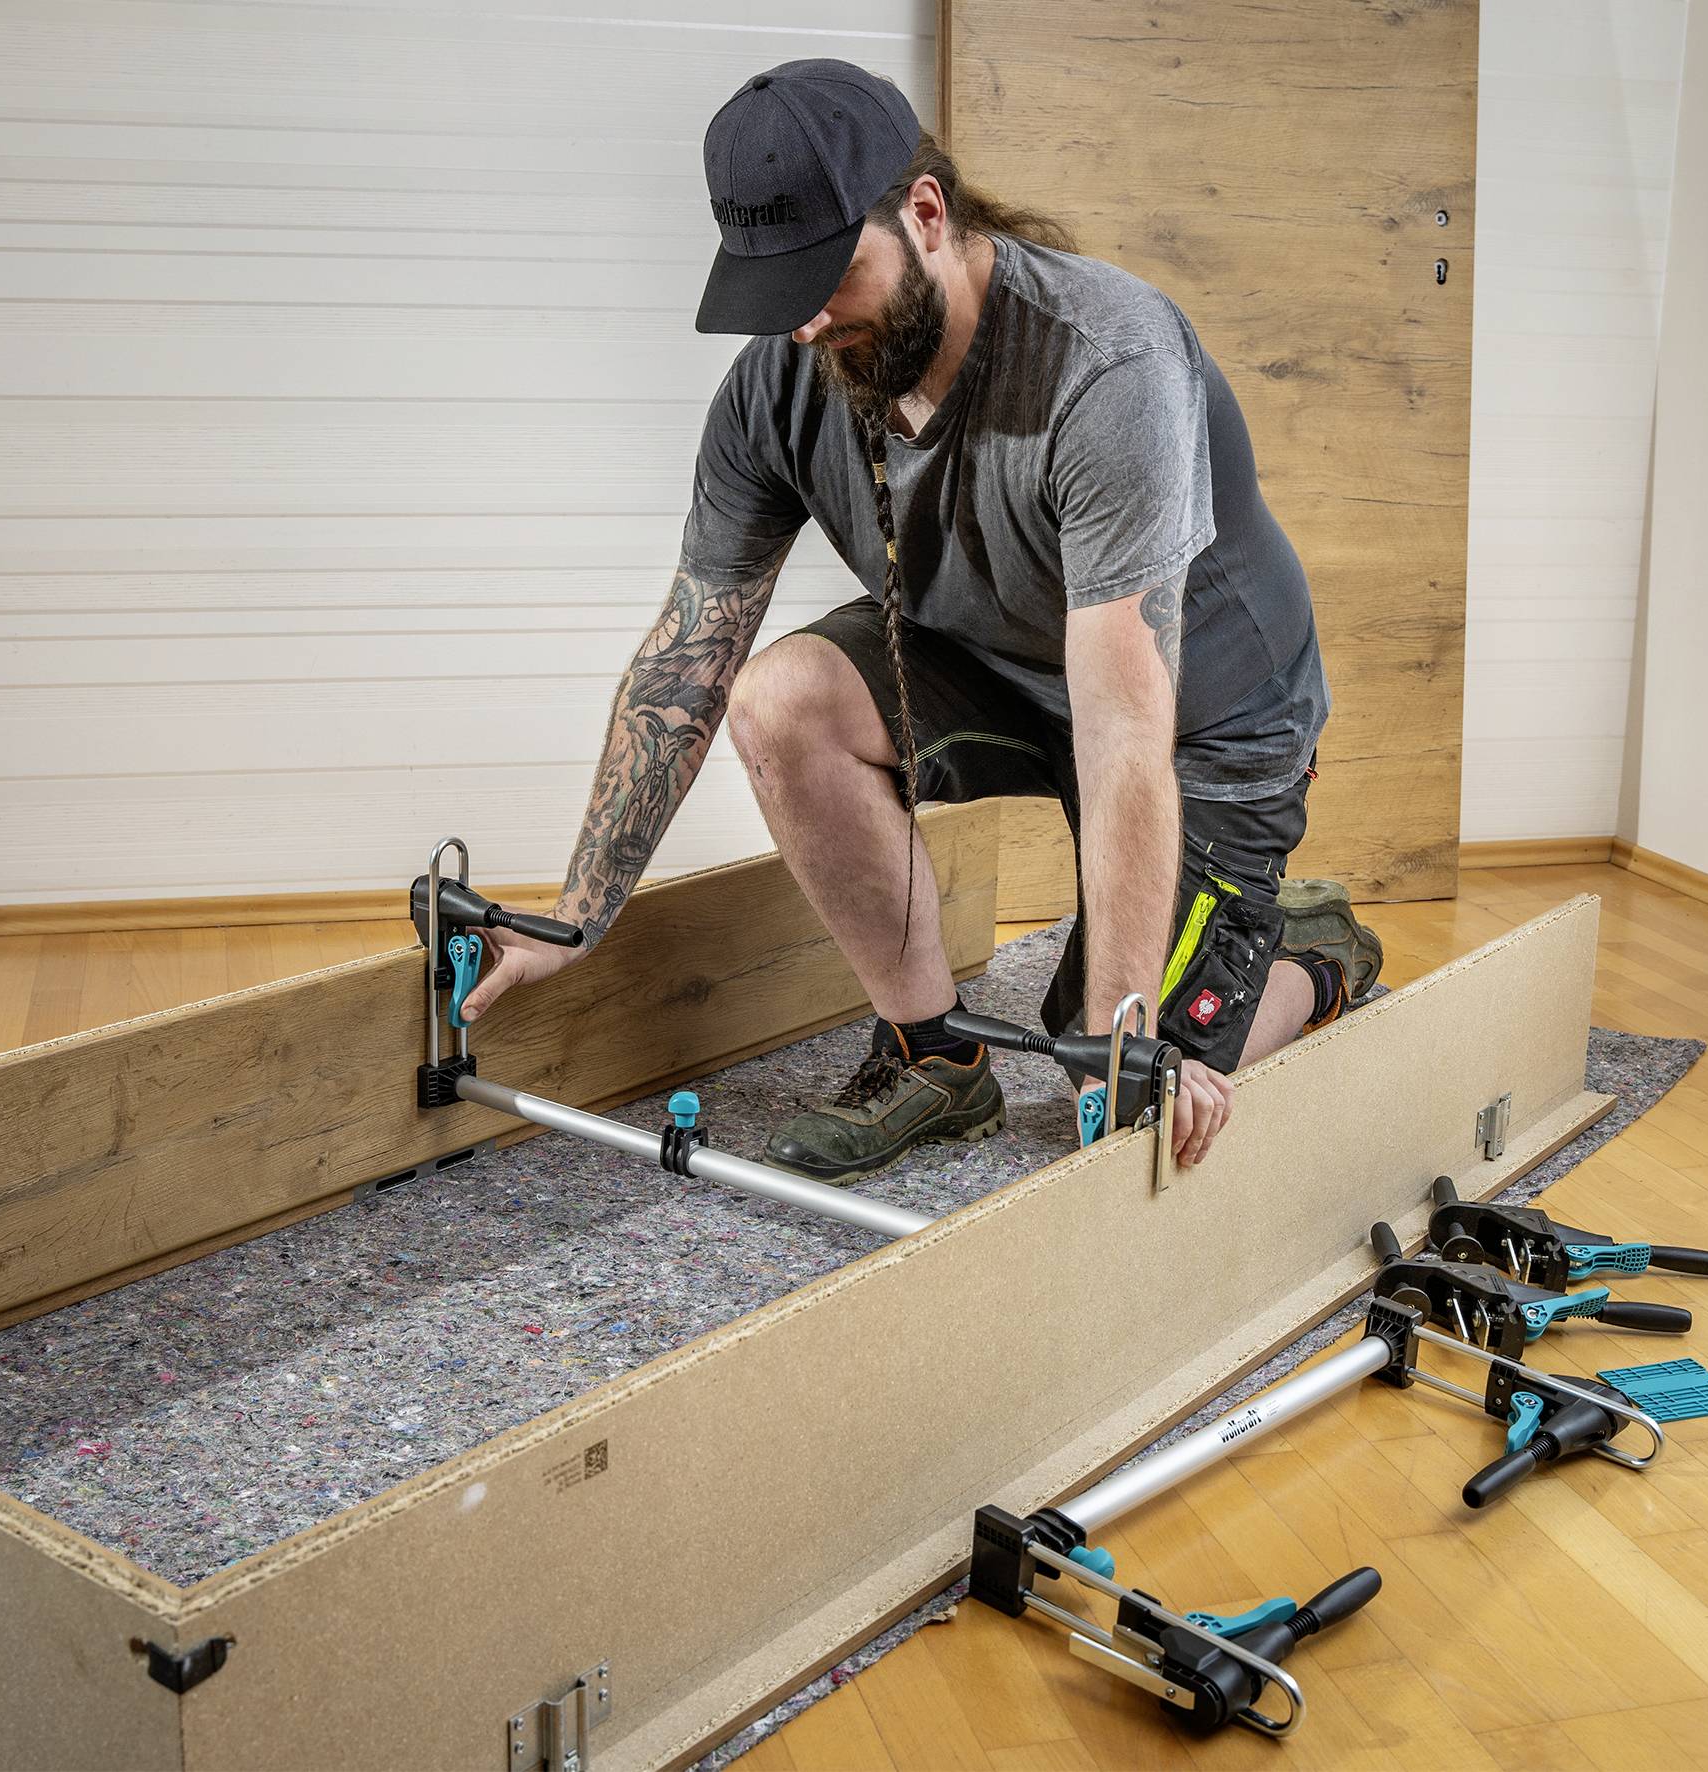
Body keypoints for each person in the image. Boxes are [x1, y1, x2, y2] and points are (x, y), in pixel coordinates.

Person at [461, 58, 1381, 1183]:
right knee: (775, 699)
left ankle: (1305, 953)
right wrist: (578, 913)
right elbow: (688, 659)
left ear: (927, 214)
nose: (803, 325)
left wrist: (1121, 1035)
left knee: (1116, 1104)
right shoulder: (785, 380)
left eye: (829, 276)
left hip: (1200, 724)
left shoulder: (1108, 366)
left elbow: (1128, 737)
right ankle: (933, 1056)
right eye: (776, 289)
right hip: (995, 660)